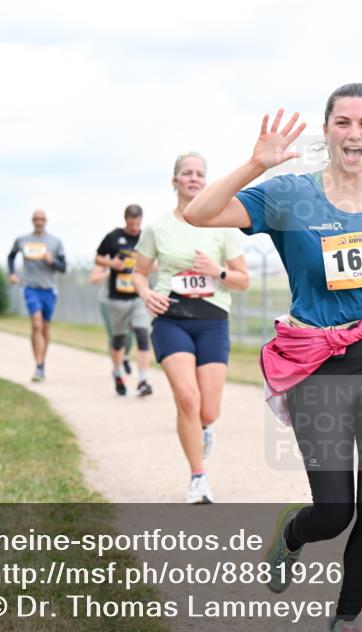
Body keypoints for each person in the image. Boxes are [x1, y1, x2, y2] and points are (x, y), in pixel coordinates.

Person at [183, 83, 362, 632]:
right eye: (343, 122)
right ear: (327, 131)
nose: (354, 134)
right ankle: (294, 534)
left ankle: (347, 621)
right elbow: (199, 213)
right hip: (317, 361)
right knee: (335, 509)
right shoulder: (288, 195)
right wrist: (256, 163)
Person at [132, 153, 249, 505]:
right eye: (187, 173)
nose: (194, 178)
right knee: (187, 398)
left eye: (200, 173)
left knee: (208, 410)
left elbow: (242, 281)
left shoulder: (223, 227)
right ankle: (198, 477)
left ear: (205, 180)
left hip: (213, 321)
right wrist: (146, 292)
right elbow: (139, 273)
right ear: (175, 181)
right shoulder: (156, 228)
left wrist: (219, 271)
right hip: (171, 318)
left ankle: (203, 429)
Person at [95, 205, 153, 397]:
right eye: (131, 224)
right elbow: (98, 258)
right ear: (125, 220)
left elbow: (157, 260)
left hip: (139, 295)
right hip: (117, 297)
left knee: (142, 334)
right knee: (119, 338)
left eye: (138, 224)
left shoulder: (146, 238)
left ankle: (144, 379)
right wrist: (112, 264)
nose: (135, 228)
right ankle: (118, 372)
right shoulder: (113, 237)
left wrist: (147, 266)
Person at [8, 209, 67, 382]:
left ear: (46, 221)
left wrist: (52, 261)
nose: (39, 222)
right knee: (36, 324)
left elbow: (63, 267)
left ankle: (42, 361)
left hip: (49, 289)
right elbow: (11, 256)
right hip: (30, 287)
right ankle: (38, 365)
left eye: (42, 219)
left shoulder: (55, 242)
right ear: (32, 220)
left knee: (45, 328)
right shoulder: (22, 240)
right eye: (36, 219)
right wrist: (12, 273)